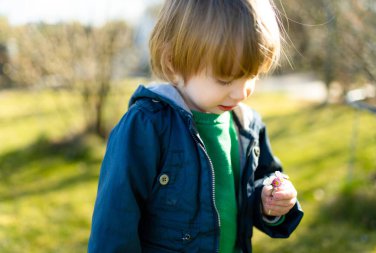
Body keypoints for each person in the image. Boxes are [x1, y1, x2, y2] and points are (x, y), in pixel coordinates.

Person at [88, 0, 303, 252]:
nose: (241, 92)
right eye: (225, 80)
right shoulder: (147, 126)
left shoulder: (247, 126)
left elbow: (254, 189)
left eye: (252, 75)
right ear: (173, 63)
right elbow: (115, 224)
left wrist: (270, 201)